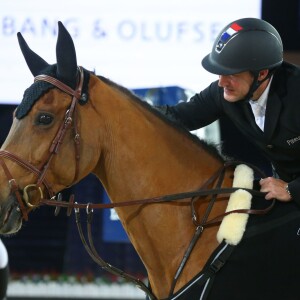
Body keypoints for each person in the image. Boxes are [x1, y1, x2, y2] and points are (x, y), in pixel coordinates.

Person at [158, 17, 300, 205]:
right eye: (220, 73)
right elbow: (176, 117)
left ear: (262, 74)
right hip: (282, 190)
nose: (221, 82)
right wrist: (120, 109)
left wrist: (292, 189)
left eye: (231, 75)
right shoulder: (224, 91)